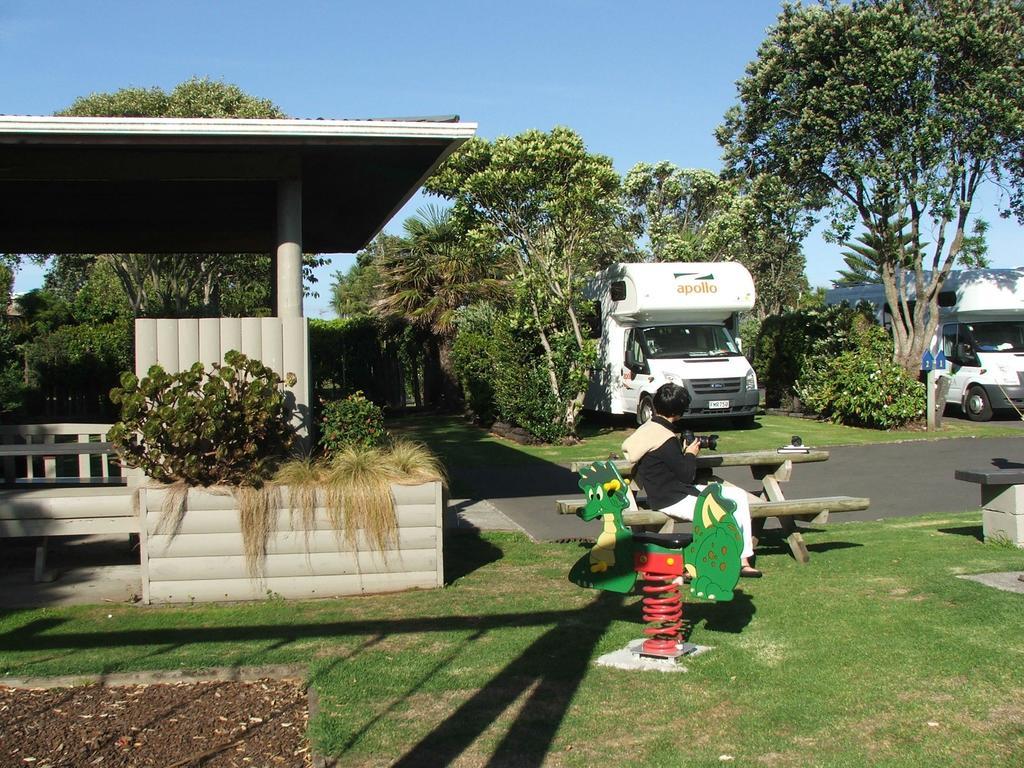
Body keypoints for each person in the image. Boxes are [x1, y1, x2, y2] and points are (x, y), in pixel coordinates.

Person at [622, 382, 762, 578]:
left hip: (666, 494)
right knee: (727, 506)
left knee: (737, 495)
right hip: (674, 499)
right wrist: (690, 453)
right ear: (679, 412)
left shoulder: (648, 429)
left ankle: (742, 558)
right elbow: (686, 476)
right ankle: (738, 560)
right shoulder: (666, 439)